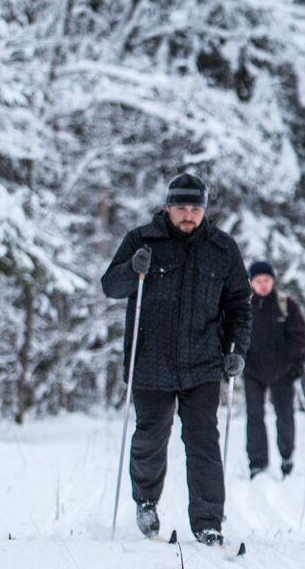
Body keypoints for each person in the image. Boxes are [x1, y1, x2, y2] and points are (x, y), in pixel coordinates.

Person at [100, 173, 252, 545]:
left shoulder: (222, 248)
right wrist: (131, 268)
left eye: (195, 208)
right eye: (181, 207)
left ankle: (208, 522)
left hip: (202, 362)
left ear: (204, 210)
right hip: (150, 360)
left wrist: (236, 351)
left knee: (203, 442)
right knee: (151, 438)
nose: (188, 215)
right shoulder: (142, 241)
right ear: (167, 207)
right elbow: (110, 287)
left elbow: (239, 306)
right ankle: (146, 501)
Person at [243, 261, 305, 479]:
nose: (263, 285)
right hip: (252, 369)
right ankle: (257, 462)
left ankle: (287, 455)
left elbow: (298, 335)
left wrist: (297, 362)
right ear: (251, 282)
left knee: (285, 415)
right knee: (254, 415)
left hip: (282, 369)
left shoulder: (286, 304)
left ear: (273, 281)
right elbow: (233, 333)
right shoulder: (244, 305)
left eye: (267, 280)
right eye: (258, 281)